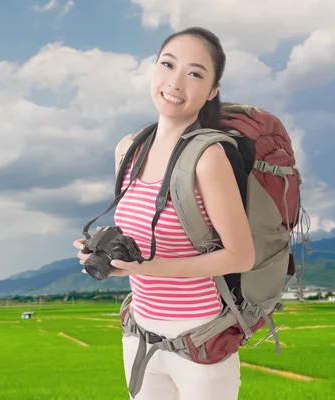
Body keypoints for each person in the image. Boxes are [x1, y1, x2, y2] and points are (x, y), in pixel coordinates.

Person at [73, 27, 255, 400]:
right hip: (140, 336)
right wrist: (104, 252)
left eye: (194, 73)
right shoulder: (128, 148)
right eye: (167, 64)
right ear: (153, 68)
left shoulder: (208, 158)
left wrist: (145, 267)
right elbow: (138, 229)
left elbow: (241, 256)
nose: (175, 82)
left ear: (212, 90)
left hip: (199, 342)